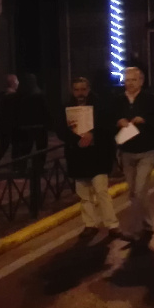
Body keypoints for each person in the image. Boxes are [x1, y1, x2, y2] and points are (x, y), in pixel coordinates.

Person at [55, 77, 120, 240]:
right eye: (77, 90)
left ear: (88, 89)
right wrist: (76, 139)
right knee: (84, 195)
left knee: (101, 191)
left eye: (83, 89)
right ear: (72, 91)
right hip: (78, 156)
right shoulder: (66, 108)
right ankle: (90, 224)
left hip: (98, 155)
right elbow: (61, 130)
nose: (80, 93)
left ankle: (112, 225)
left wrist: (93, 135)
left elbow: (108, 127)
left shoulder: (100, 106)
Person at [114, 66, 154, 250]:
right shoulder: (118, 101)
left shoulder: (152, 100)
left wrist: (145, 121)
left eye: (133, 80)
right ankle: (147, 224)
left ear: (141, 81)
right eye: (127, 80)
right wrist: (118, 122)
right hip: (127, 152)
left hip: (147, 151)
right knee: (134, 192)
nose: (129, 83)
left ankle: (136, 230)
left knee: (139, 190)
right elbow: (108, 121)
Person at [13, 74, 50, 173]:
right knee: (41, 149)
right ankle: (39, 167)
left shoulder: (20, 96)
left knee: (25, 149)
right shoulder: (39, 95)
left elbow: (17, 112)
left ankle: (22, 168)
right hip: (39, 126)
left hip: (25, 127)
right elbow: (45, 110)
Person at [0, 74, 19, 164]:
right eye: (17, 81)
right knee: (15, 145)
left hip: (0, 125)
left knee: (4, 145)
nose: (18, 83)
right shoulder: (13, 96)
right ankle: (15, 165)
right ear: (13, 83)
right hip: (11, 126)